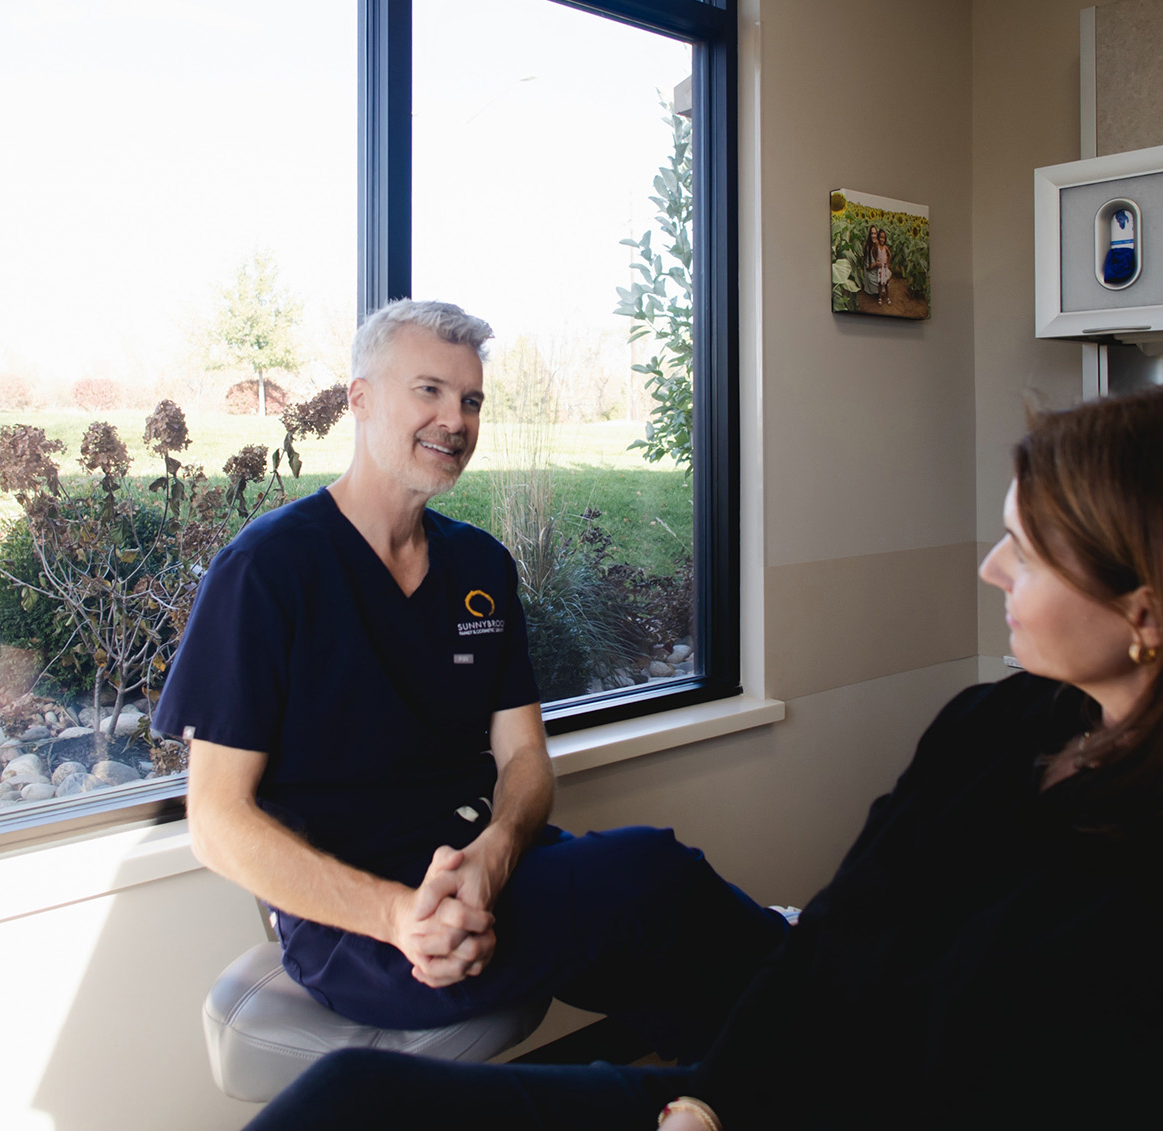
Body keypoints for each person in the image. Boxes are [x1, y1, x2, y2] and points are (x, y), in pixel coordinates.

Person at [142, 387, 1163, 1131]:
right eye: (429, 394)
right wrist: (694, 1128)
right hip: (771, 1107)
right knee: (357, 1114)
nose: (989, 570)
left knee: (642, 879)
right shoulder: (999, 730)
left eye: (1026, 552)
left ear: (1149, 613)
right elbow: (836, 946)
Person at [153, 298, 786, 1061]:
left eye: (472, 399)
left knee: (669, 974)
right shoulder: (267, 571)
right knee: (654, 871)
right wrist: (400, 917)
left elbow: (523, 758)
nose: (455, 419)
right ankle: (827, 978)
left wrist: (498, 849)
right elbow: (217, 822)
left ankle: (738, 1117)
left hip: (491, 872)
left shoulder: (480, 567)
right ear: (360, 398)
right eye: (429, 390)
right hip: (360, 927)